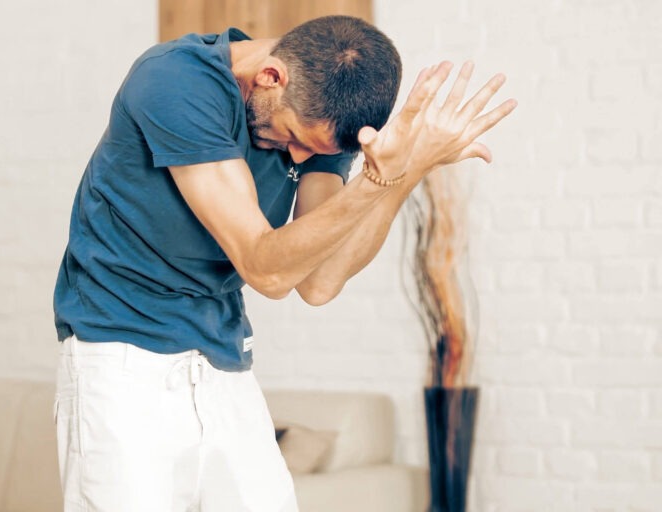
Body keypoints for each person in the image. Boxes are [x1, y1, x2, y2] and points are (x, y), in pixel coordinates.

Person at [52, 15, 516, 512]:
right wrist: (381, 177)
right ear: (271, 77)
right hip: (121, 361)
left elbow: (319, 281)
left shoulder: (320, 122)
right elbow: (266, 268)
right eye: (295, 137)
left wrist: (405, 172)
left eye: (315, 152)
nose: (297, 156)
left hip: (221, 361)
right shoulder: (176, 81)